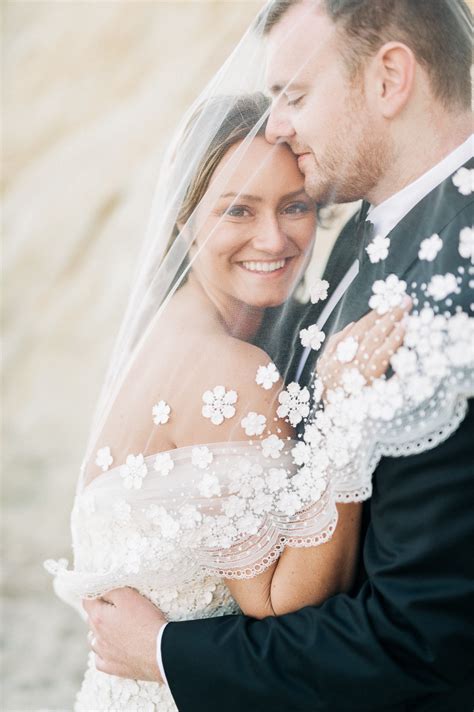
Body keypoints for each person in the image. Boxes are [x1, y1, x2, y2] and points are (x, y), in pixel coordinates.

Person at [83, 2, 474, 711]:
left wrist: (168, 653)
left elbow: (422, 636)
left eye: (295, 95)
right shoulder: (363, 227)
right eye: (238, 209)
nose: (282, 126)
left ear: (391, 79)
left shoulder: (450, 282)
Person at [46, 92, 405, 710]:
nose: (273, 238)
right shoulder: (228, 369)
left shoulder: (161, 330)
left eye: (294, 206)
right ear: (185, 220)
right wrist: (344, 422)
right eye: (238, 211)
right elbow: (278, 601)